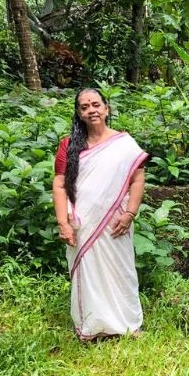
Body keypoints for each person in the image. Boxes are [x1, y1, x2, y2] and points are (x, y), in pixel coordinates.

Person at [51, 89, 149, 341]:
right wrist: (63, 222)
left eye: (96, 104)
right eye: (84, 107)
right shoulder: (69, 145)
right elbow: (60, 184)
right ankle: (93, 327)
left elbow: (138, 180)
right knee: (89, 273)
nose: (91, 110)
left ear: (106, 108)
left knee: (121, 270)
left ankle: (128, 323)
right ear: (79, 113)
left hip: (116, 221)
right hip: (82, 223)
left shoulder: (124, 143)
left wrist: (130, 214)